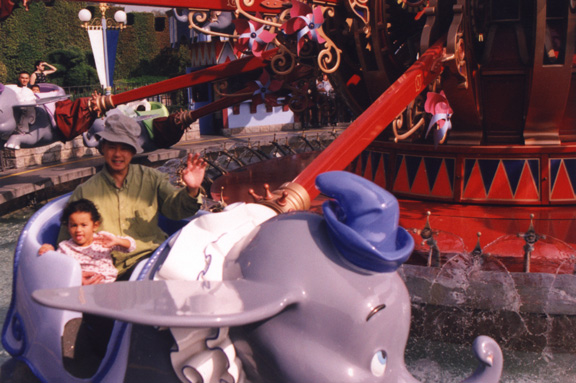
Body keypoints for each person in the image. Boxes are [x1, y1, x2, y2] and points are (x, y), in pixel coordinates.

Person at [57, 113, 207, 279]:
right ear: (103, 148)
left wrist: (192, 190)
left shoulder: (152, 178)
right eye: (112, 147)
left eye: (125, 148)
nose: (118, 154)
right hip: (112, 271)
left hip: (153, 259)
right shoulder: (84, 191)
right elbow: (65, 242)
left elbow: (175, 209)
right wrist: (79, 274)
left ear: (133, 151)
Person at [39, 199, 136, 285]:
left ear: (95, 226)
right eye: (73, 225)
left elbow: (131, 246)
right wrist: (49, 251)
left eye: (84, 225)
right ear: (67, 227)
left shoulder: (103, 240)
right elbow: (56, 268)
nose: (78, 230)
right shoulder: (65, 247)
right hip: (81, 288)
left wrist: (117, 241)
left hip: (110, 286)